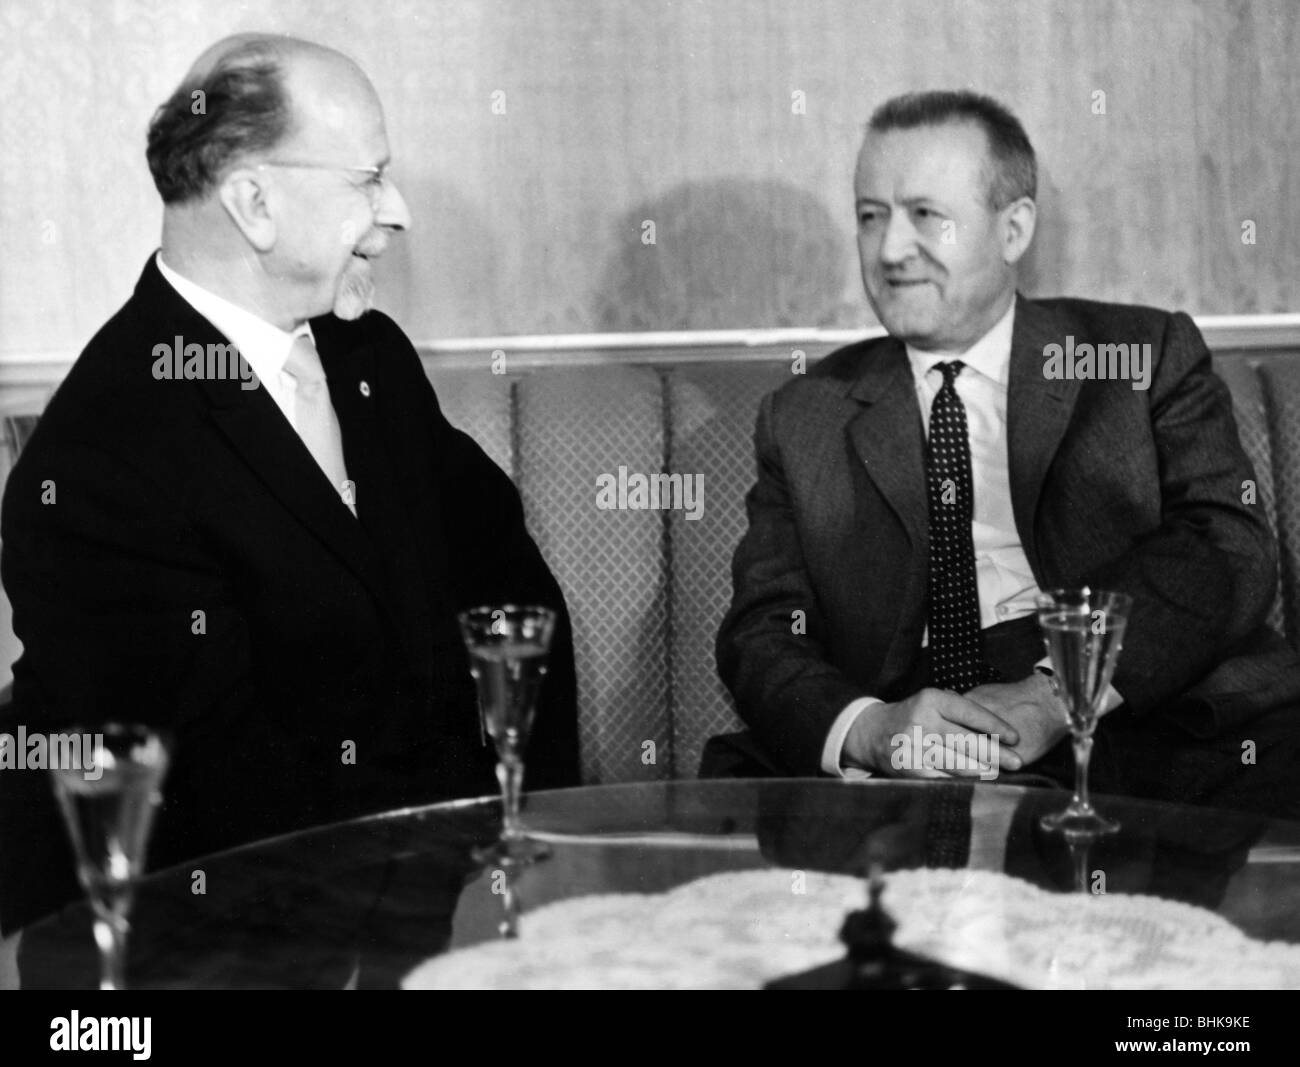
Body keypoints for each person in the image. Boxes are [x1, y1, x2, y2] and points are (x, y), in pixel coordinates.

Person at [0, 34, 579, 932]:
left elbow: (517, 600)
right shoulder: (97, 462)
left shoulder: (369, 356)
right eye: (367, 179)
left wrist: (527, 854)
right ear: (255, 203)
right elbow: (223, 800)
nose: (398, 212)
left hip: (435, 900)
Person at [714, 90, 1300, 817]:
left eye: (927, 215)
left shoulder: (1137, 356)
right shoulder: (805, 412)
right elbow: (762, 629)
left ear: (1014, 228)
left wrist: (1058, 692)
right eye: (872, 217)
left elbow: (1226, 546)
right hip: (911, 754)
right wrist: (868, 729)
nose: (892, 250)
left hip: (1139, 717)